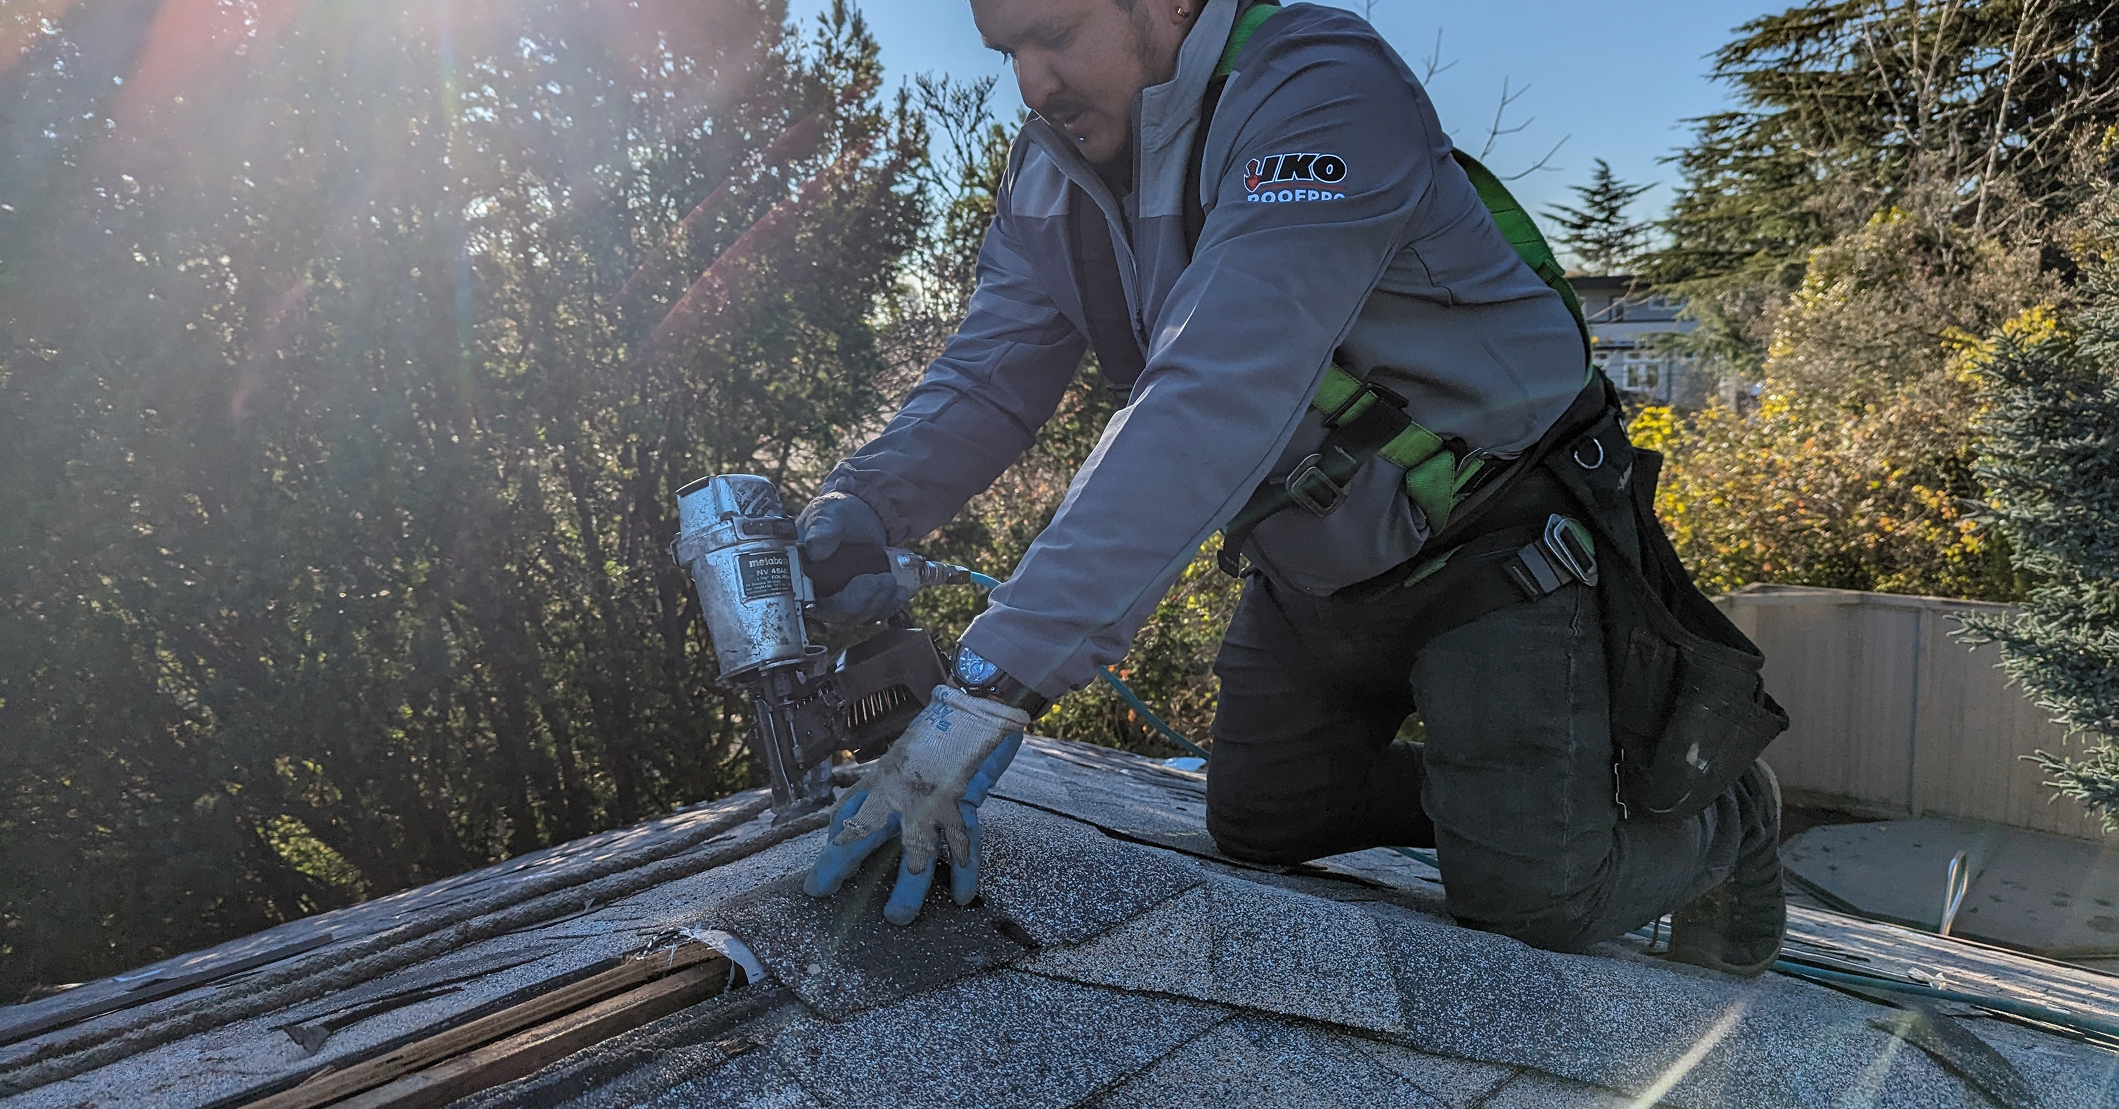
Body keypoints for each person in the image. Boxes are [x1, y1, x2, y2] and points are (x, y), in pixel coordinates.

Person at [796, 0, 1786, 976]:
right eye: (1007, 48)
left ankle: (1731, 819)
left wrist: (991, 682)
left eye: (1053, 37)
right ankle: (1512, 797)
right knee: (1261, 817)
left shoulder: (1320, 90)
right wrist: (866, 506)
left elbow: (1217, 384)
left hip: (1491, 538)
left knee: (1534, 896)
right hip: (1310, 559)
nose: (1031, 83)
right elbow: (987, 376)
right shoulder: (1048, 171)